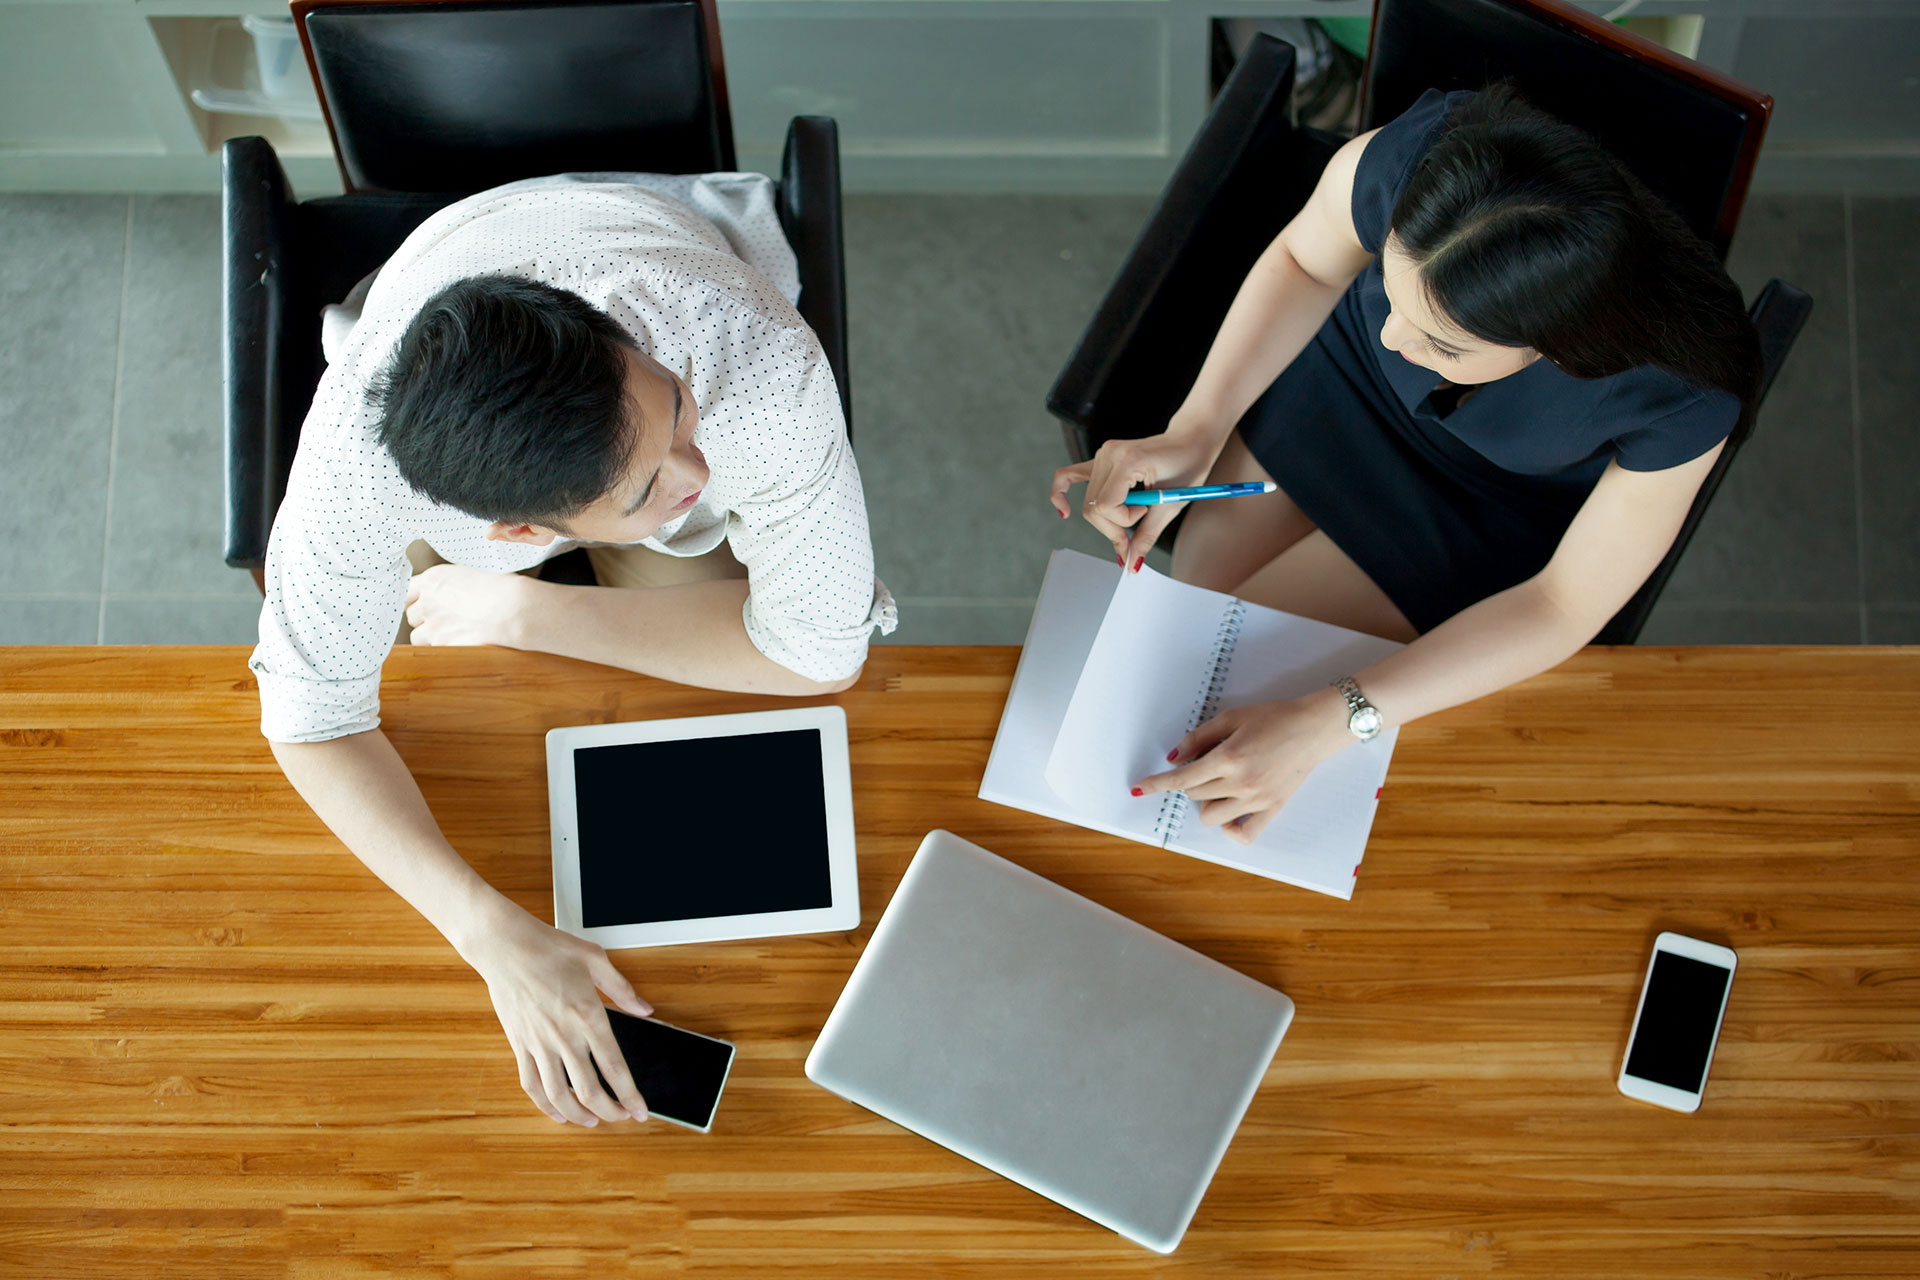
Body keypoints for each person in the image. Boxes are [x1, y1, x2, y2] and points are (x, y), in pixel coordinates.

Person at [251, 172, 894, 1129]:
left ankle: (627, 475)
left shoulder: (755, 372)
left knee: (696, 692)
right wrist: (489, 934)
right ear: (520, 537)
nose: (698, 468)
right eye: (648, 488)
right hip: (456, 446)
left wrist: (526, 614)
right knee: (463, 689)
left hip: (631, 257)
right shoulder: (351, 481)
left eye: (671, 408)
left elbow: (818, 655)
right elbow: (311, 720)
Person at [1050, 85, 1760, 844]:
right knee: (1194, 645)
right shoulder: (1422, 154)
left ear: (1563, 348)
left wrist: (1337, 718)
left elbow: (1563, 605)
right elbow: (1305, 260)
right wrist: (1196, 428)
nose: (1395, 339)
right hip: (1337, 388)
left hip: (1481, 507)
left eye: (1443, 346)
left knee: (1236, 704)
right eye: (1389, 293)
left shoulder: (1681, 391)